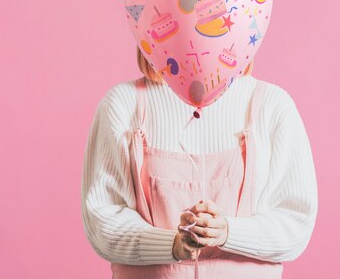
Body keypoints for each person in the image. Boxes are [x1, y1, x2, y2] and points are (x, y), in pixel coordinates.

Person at [81, 47, 318, 279]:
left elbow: (295, 224)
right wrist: (170, 245)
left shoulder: (272, 105)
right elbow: (102, 222)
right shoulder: (123, 104)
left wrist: (228, 232)